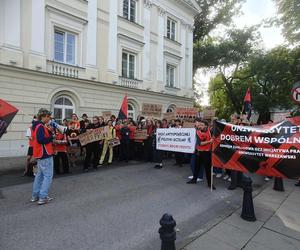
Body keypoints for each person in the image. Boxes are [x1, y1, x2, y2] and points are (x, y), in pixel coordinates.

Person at [31, 108, 55, 205]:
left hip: (40, 154)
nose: (49, 118)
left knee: (39, 176)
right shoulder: (40, 126)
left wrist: (49, 132)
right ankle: (43, 197)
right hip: (45, 154)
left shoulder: (38, 125)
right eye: (48, 116)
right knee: (48, 176)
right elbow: (41, 140)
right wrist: (51, 137)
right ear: (44, 116)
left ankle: (35, 195)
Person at [187, 119, 215, 190]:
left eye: (202, 125)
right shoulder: (198, 132)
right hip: (199, 152)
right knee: (197, 167)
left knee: (208, 169)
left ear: (206, 126)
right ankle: (194, 180)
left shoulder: (210, 131)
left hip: (207, 153)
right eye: (199, 125)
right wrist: (210, 141)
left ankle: (210, 184)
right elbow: (200, 143)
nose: (200, 126)